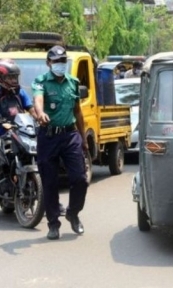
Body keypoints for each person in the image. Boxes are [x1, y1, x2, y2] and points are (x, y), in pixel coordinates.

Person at [31, 45, 88, 240]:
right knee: (50, 181)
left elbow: (78, 111)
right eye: (55, 61)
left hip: (70, 135)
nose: (60, 64)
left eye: (62, 61)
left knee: (80, 178)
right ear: (49, 63)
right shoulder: (41, 82)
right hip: (48, 136)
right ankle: (53, 223)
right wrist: (41, 113)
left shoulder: (73, 82)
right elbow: (37, 100)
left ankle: (73, 213)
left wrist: (83, 138)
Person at [0, 60, 37, 126]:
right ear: (1, 78)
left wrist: (38, 118)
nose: (14, 81)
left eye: (15, 77)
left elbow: (32, 109)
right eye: (10, 78)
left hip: (21, 132)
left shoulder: (20, 92)